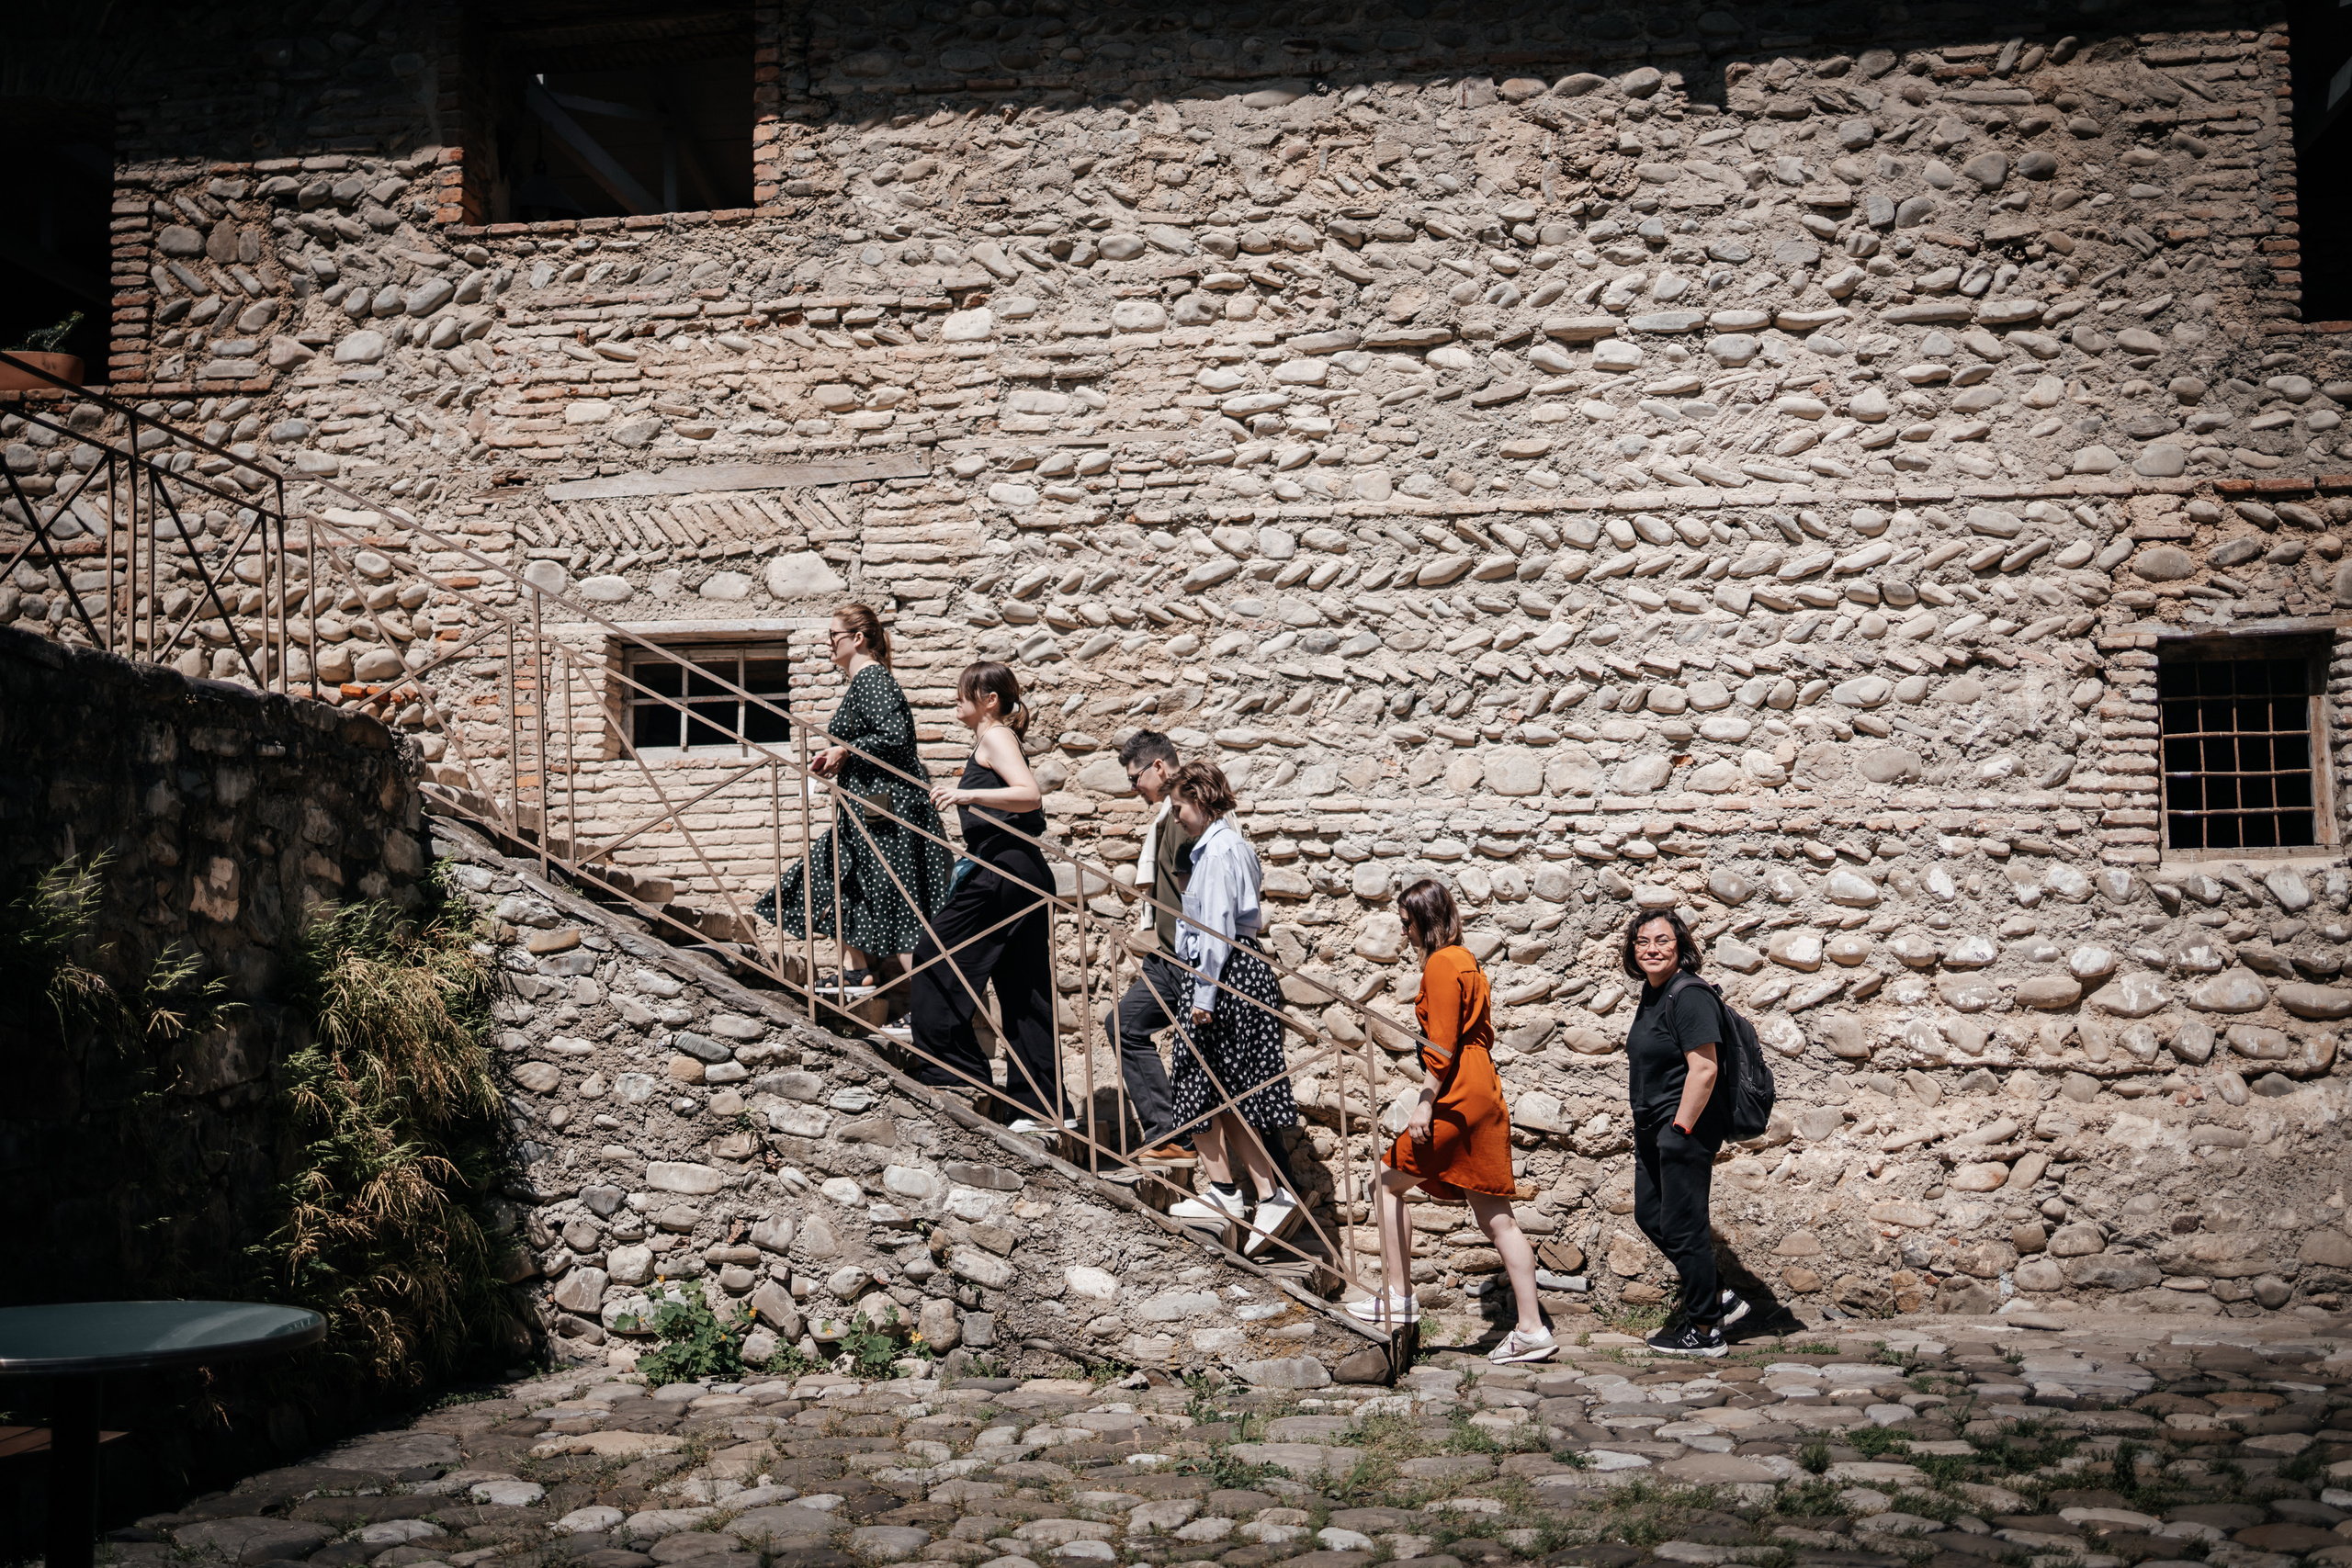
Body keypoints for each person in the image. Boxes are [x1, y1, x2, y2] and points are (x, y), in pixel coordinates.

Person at [1349, 878, 1555, 1364]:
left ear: (1425, 919)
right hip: (1484, 1089)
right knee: (1496, 1217)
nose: (1405, 935)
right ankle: (1532, 1329)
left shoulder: (1442, 964)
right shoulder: (1466, 959)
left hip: (1459, 1091)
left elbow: (1440, 1047)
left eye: (1408, 924)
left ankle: (1398, 1299)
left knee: (1385, 1181)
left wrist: (1425, 1103)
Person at [759, 604, 951, 1023]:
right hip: (867, 818)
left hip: (889, 822)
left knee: (903, 910)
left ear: (858, 639)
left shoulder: (873, 680)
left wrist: (844, 750)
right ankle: (856, 971)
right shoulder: (863, 683)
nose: (828, 642)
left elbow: (896, 738)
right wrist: (839, 757)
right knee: (833, 880)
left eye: (833, 635)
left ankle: (930, 1014)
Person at [905, 661, 1071, 1134]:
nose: (955, 700)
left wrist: (963, 795)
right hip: (1017, 872)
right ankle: (1040, 1107)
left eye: (963, 694)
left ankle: (952, 1070)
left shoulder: (996, 736)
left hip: (1004, 869)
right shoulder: (990, 740)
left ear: (989, 699)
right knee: (1024, 991)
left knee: (934, 953)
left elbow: (1029, 795)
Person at [1159, 761, 1306, 1258]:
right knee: (1226, 1091)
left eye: (1179, 805)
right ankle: (1263, 1193)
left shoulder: (1219, 853)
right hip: (1234, 972)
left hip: (1221, 976)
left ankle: (1231, 1192)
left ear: (1199, 799)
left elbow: (1217, 929)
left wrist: (1202, 997)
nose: (1175, 815)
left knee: (1195, 1079)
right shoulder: (1232, 846)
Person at [1622, 907, 1751, 1358]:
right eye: (1643, 942)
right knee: (1651, 1215)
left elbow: (1705, 1068)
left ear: (1680, 947)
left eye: (1662, 941)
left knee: (1684, 1225)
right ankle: (1717, 1295)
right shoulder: (1652, 992)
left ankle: (1706, 1330)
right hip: (1653, 1126)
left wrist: (1680, 1128)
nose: (1652, 949)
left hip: (1684, 1127)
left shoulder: (1689, 995)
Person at [1101, 730, 1197, 1171]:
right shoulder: (1169, 813)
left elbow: (1192, 888)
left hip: (1184, 953)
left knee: (1224, 1072)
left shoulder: (1184, 813)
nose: (1132, 789)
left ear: (1159, 767)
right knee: (1125, 1025)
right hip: (1171, 952)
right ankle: (1168, 1133)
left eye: (1134, 779)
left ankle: (1168, 1133)